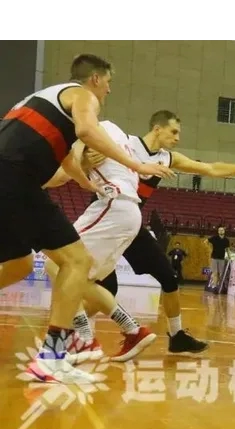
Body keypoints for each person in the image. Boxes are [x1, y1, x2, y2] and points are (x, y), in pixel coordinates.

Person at [0, 54, 173, 384]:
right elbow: (87, 130)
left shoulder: (42, 99)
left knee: (20, 264)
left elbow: (66, 156)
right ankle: (51, 358)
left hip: (9, 179)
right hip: (15, 177)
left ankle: (63, 350)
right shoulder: (82, 95)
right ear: (95, 79)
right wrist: (138, 166)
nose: (108, 90)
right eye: (108, 83)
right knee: (77, 261)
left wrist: (85, 182)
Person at [86, 110, 235, 356]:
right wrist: (88, 157)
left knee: (169, 277)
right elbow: (85, 150)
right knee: (105, 287)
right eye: (173, 132)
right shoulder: (126, 144)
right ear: (157, 128)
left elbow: (211, 168)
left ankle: (176, 336)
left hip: (131, 224)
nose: (177, 138)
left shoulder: (168, 158)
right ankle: (75, 334)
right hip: (108, 218)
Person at [42, 120, 162, 365]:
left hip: (113, 204)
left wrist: (33, 182)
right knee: (82, 278)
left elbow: (64, 175)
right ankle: (133, 330)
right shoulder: (118, 132)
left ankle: (84, 338)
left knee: (57, 263)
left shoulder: (84, 130)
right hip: (131, 212)